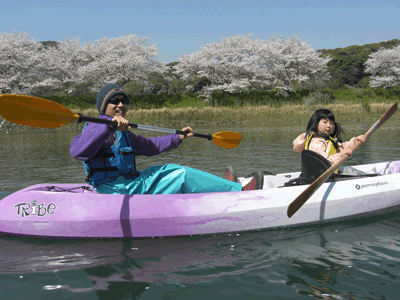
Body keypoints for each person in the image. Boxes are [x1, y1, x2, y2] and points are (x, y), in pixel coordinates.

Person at [70, 83, 262, 194]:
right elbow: (77, 151)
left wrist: (177, 138)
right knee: (181, 175)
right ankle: (239, 191)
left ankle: (221, 185)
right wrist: (107, 128)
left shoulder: (122, 130)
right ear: (103, 106)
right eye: (114, 101)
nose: (120, 105)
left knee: (168, 169)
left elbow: (149, 146)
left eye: (124, 102)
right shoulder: (97, 125)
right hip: (116, 188)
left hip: (129, 182)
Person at [293, 108, 366, 175]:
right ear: (315, 123)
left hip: (329, 174)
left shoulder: (328, 140)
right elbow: (324, 162)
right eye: (325, 122)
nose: (328, 126)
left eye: (331, 123)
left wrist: (355, 141)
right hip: (318, 176)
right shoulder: (315, 143)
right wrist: (340, 155)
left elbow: (342, 147)